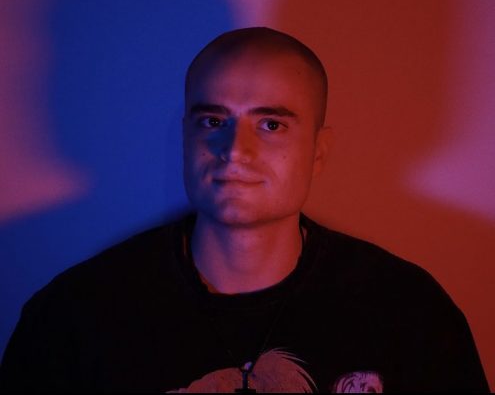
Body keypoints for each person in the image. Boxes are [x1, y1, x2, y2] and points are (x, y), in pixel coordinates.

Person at [0, 27, 489, 393]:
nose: (234, 151)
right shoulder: (73, 317)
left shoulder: (408, 311)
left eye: (271, 125)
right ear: (186, 138)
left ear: (318, 152)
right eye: (213, 121)